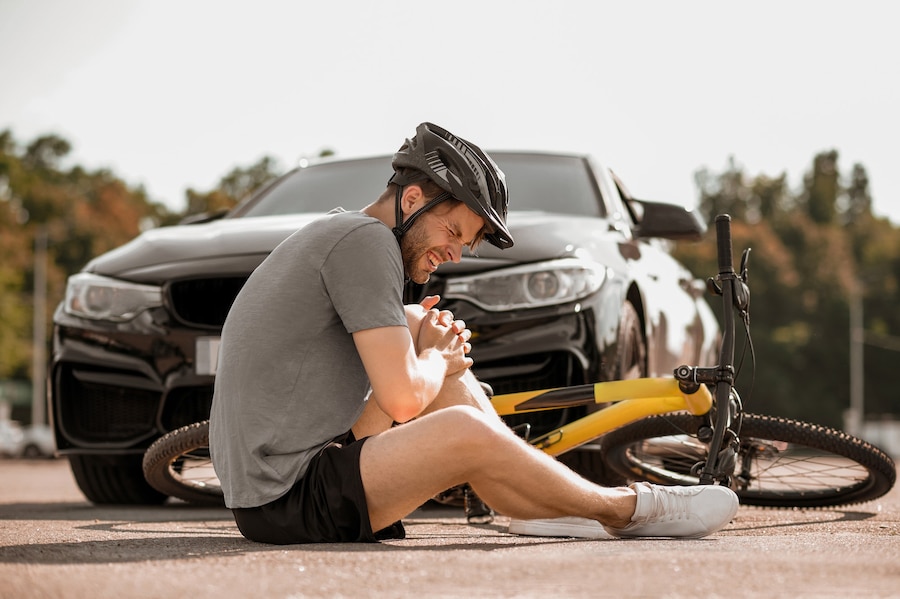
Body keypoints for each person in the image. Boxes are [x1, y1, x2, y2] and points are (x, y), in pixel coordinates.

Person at [208, 122, 739, 545]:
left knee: (418, 326)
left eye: (466, 243)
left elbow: (393, 368)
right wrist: (438, 359)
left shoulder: (344, 232)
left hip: (282, 487)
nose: (454, 254)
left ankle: (542, 507)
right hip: (288, 498)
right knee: (462, 425)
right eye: (453, 231)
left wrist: (427, 342)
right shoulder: (364, 243)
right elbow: (400, 397)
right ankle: (625, 510)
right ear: (412, 200)